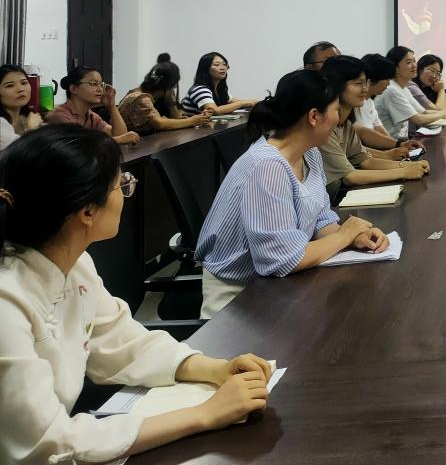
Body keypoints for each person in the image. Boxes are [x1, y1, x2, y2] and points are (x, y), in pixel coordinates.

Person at [0, 125, 273, 462]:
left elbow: (122, 342)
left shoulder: (75, 264)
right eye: (122, 184)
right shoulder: (6, 302)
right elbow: (49, 443)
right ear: (87, 212)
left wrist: (213, 369)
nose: (126, 192)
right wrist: (204, 414)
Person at [195, 69, 391, 318]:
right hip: (238, 300)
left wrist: (356, 236)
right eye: (336, 109)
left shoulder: (310, 153)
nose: (339, 118)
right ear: (314, 117)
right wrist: (345, 235)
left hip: (278, 287)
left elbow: (320, 219)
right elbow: (282, 259)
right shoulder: (267, 166)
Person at [318, 55, 429, 198]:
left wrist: (409, 166)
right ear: (337, 86)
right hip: (332, 200)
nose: (365, 89)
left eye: (366, 82)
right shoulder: (324, 126)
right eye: (358, 83)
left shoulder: (346, 124)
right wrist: (403, 171)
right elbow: (350, 177)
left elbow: (366, 161)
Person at [119, 54, 212, 135]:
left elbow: (175, 117)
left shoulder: (148, 95)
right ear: (167, 86)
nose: (173, 90)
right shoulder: (140, 98)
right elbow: (160, 123)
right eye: (173, 87)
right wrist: (192, 121)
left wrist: (172, 104)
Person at [46, 67, 139, 146]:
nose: (100, 89)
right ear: (74, 89)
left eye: (101, 85)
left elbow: (120, 134)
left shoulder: (90, 116)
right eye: (93, 83)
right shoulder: (59, 115)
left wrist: (111, 106)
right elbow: (78, 146)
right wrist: (118, 140)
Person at [355, 53, 422, 158]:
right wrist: (395, 148)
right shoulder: (353, 105)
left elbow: (380, 130)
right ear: (372, 79)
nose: (388, 84)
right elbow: (361, 135)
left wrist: (398, 146)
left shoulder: (370, 102)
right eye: (386, 79)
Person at [375, 47, 446, 140]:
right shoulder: (392, 90)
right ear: (396, 68)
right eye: (409, 62)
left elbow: (424, 112)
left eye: (414, 61)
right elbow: (418, 119)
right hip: (391, 145)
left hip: (402, 142)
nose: (414, 65)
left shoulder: (403, 89)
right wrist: (445, 113)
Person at [181, 53, 255, 116]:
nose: (223, 68)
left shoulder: (219, 90)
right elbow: (214, 111)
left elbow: (239, 102)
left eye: (224, 64)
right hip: (193, 128)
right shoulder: (200, 89)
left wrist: (256, 103)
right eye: (216, 65)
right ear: (205, 69)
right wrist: (242, 103)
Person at [410, 53, 446, 121]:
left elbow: (441, 113)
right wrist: (441, 90)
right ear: (420, 69)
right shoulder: (411, 87)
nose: (434, 76)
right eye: (432, 71)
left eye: (438, 73)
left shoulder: (430, 88)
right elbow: (440, 111)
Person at [0, 65, 41, 150]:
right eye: (10, 86)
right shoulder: (1, 124)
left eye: (24, 83)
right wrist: (31, 129)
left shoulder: (25, 118)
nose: (20, 89)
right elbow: (22, 153)